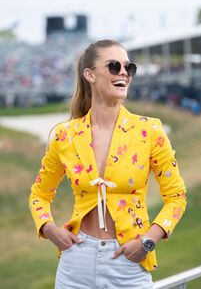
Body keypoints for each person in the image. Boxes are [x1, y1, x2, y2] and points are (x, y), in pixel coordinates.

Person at [29, 39, 187, 289]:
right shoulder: (65, 135)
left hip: (129, 263)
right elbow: (39, 193)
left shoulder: (150, 130)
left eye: (129, 67)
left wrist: (147, 242)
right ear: (89, 74)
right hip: (75, 265)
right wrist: (49, 229)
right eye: (114, 66)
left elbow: (176, 196)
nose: (124, 72)